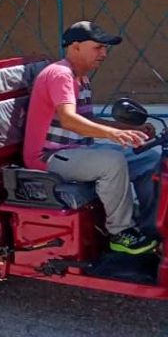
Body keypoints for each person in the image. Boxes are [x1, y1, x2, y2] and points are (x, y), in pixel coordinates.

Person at [23, 21, 160, 255]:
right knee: (112, 162)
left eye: (105, 48)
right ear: (75, 47)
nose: (104, 54)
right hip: (49, 156)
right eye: (98, 47)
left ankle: (151, 226)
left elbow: (87, 119)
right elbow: (70, 121)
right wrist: (115, 134)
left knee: (148, 157)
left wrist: (126, 128)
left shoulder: (82, 77)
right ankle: (120, 233)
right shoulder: (60, 74)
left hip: (77, 149)